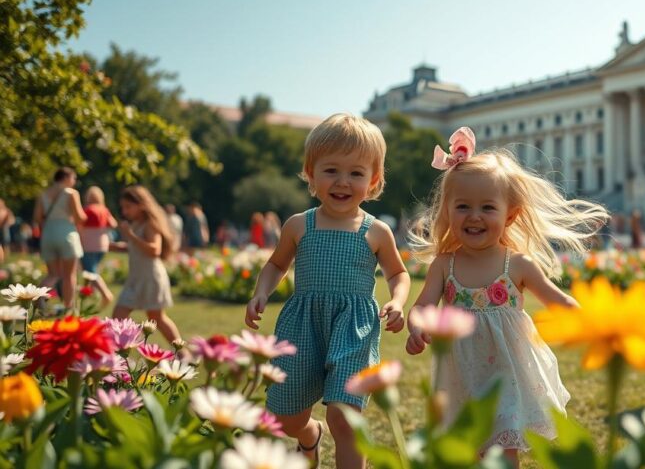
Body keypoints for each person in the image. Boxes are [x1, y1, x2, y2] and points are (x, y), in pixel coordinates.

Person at [405, 127, 608, 468]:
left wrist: (593, 322)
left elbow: (559, 301)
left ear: (509, 215)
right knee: (465, 450)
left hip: (507, 377)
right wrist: (416, 327)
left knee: (502, 450)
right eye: (463, 207)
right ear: (447, 211)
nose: (474, 216)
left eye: (487, 207)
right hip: (461, 376)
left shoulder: (517, 265)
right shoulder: (445, 264)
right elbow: (423, 305)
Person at [244, 113, 410, 469]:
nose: (342, 182)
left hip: (354, 329)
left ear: (374, 180)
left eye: (356, 173)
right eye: (331, 170)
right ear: (310, 172)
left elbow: (398, 273)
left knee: (345, 416)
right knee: (285, 418)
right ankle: (309, 435)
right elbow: (276, 265)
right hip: (302, 326)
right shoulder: (298, 225)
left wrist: (397, 300)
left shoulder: (376, 231)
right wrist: (261, 292)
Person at [112, 185, 181, 343]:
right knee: (118, 317)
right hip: (136, 279)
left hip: (150, 277)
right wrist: (114, 246)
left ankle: (183, 353)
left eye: (128, 207)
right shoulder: (136, 224)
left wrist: (130, 235)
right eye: (123, 207)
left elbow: (154, 249)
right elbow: (136, 248)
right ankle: (115, 353)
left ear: (141, 205)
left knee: (157, 318)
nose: (124, 212)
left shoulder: (150, 224)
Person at [34, 167, 86, 312]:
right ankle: (68, 307)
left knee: (53, 274)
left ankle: (39, 299)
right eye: (73, 178)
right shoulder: (71, 194)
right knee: (69, 275)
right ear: (66, 178)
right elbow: (80, 217)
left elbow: (38, 218)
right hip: (66, 233)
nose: (74, 182)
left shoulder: (43, 194)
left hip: (48, 234)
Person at [79, 186, 116, 306]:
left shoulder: (87, 210)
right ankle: (90, 294)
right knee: (92, 269)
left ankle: (106, 294)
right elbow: (113, 224)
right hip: (102, 244)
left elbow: (79, 224)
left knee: (90, 272)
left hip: (88, 244)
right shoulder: (104, 210)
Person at [0, 198, 13, 262]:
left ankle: (5, 257)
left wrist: (6, 223)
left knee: (6, 243)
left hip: (4, 228)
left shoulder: (7, 211)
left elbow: (12, 221)